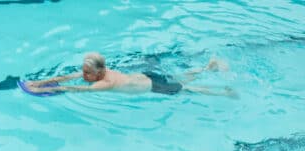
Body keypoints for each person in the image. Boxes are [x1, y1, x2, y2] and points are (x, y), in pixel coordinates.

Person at [24, 52, 234, 96]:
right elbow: (68, 78)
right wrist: (39, 82)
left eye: (87, 72)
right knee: (180, 79)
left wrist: (46, 89)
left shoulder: (104, 83)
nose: (83, 74)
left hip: (152, 86)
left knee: (186, 89)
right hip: (146, 76)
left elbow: (73, 87)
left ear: (98, 71)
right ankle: (209, 67)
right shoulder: (99, 71)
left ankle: (224, 91)